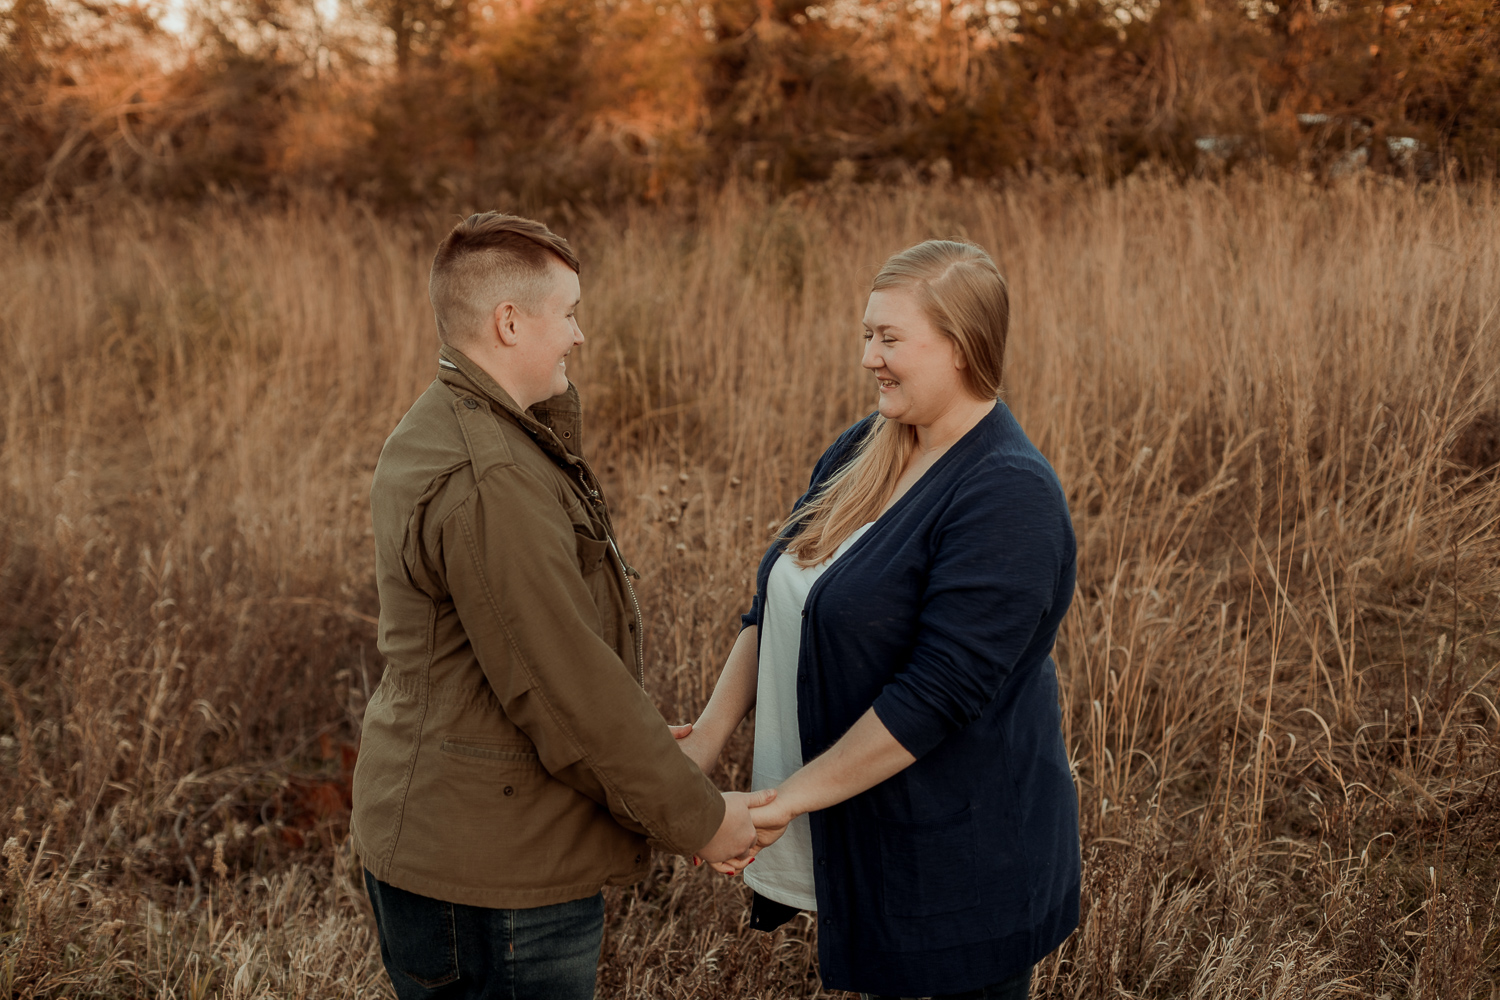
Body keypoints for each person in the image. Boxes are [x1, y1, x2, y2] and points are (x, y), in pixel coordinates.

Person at [350, 212, 770, 1000]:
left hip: (461, 842)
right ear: (510, 322)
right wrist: (702, 818)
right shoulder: (493, 477)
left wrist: (650, 752)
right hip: (495, 878)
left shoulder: (449, 425)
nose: (579, 336)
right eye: (569, 313)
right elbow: (567, 691)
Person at [676, 240, 1080, 999]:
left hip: (960, 874)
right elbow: (773, 608)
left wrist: (781, 804)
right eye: (867, 335)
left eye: (890, 338)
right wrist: (703, 739)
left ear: (960, 347)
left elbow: (932, 697)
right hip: (871, 842)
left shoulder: (1009, 495)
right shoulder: (864, 448)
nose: (869, 358)